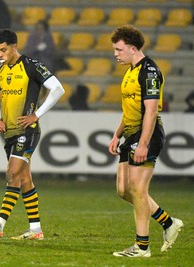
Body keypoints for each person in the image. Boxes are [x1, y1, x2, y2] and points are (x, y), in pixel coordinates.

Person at [0, 29, 65, 240]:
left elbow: (58, 89)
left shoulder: (32, 66)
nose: (0, 54)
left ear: (15, 46)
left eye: (3, 50)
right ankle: (36, 230)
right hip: (10, 133)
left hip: (27, 131)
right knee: (25, 179)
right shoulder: (0, 72)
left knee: (12, 174)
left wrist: (36, 114)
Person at [108, 25, 183, 257]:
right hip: (130, 133)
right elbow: (130, 108)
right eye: (114, 50)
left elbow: (150, 111)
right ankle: (168, 223)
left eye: (119, 50)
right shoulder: (130, 70)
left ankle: (142, 247)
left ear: (132, 48)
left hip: (145, 134)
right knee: (123, 190)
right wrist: (117, 133)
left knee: (138, 190)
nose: (115, 54)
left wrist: (143, 143)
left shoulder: (149, 71)